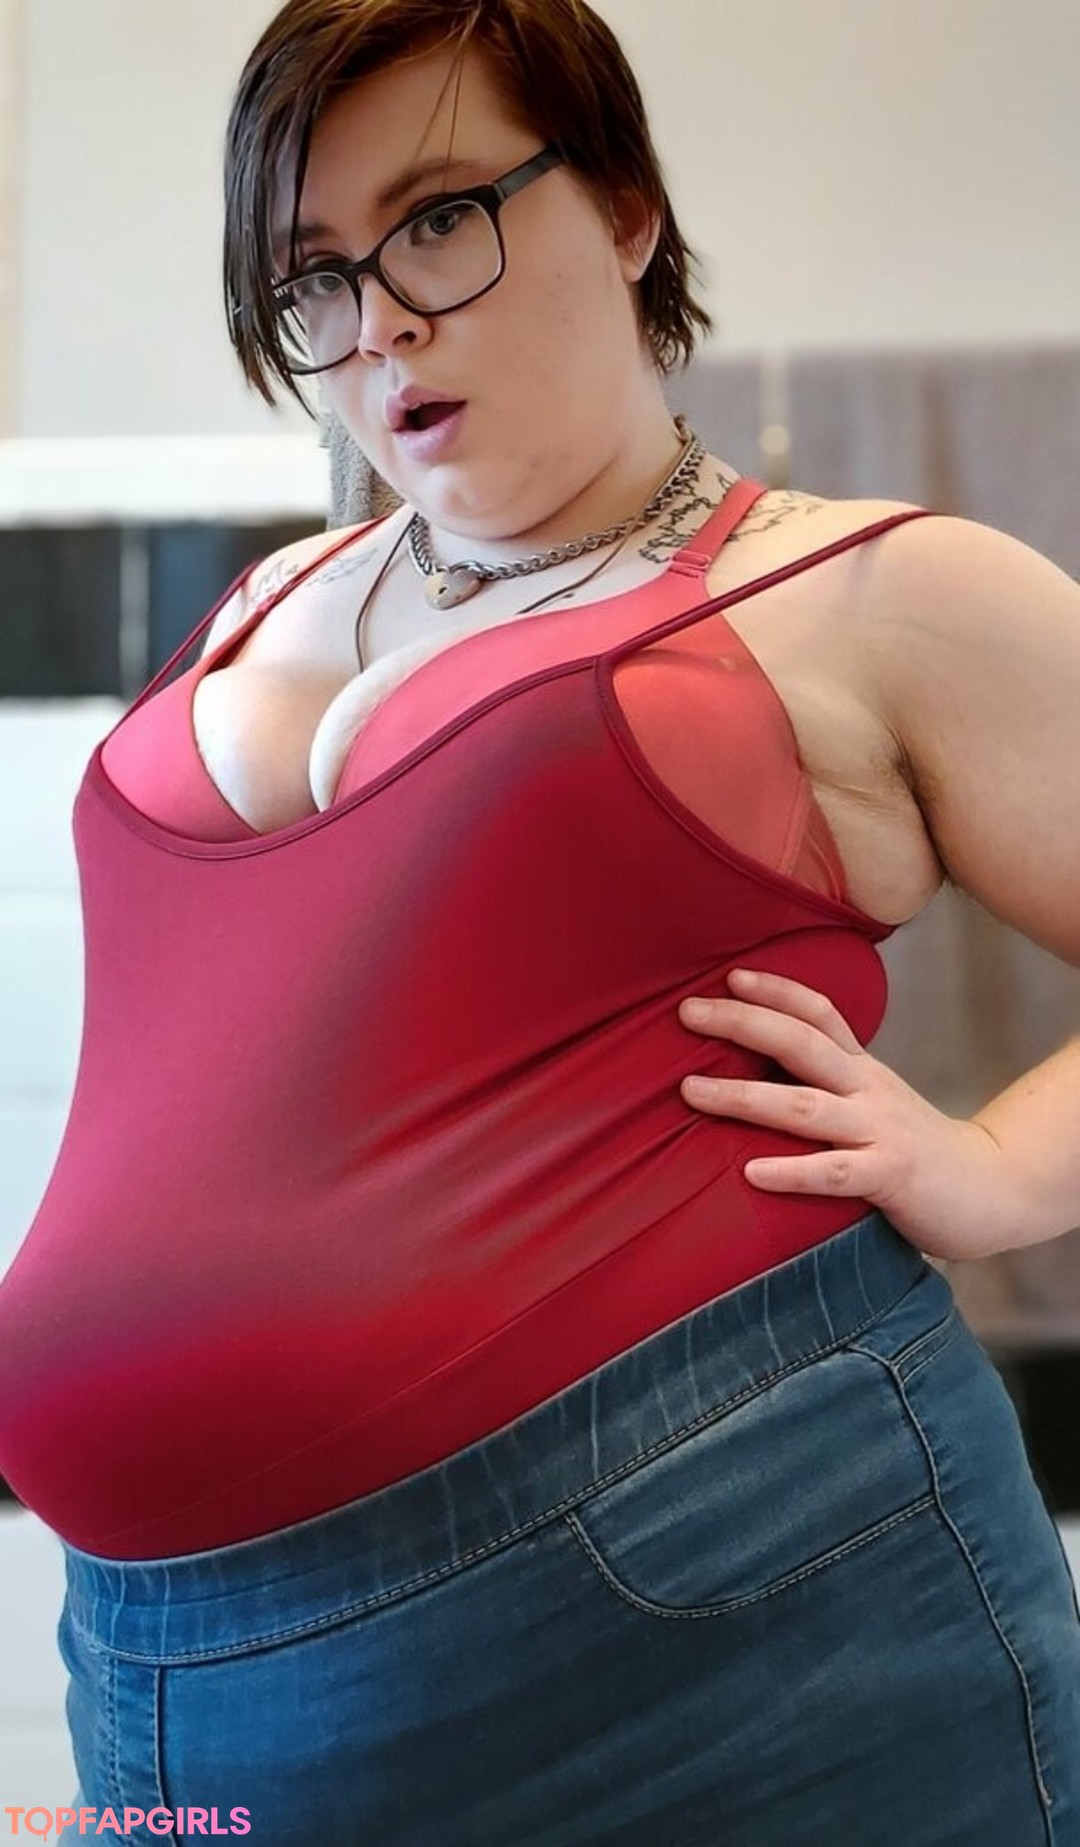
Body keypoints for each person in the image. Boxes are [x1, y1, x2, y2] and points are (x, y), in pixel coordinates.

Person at [1, 1, 1078, 1840]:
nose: (381, 323)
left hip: (728, 1609)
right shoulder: (274, 594)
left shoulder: (864, 593)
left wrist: (992, 1170)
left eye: (439, 220)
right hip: (160, 1667)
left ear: (629, 209)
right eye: (315, 275)